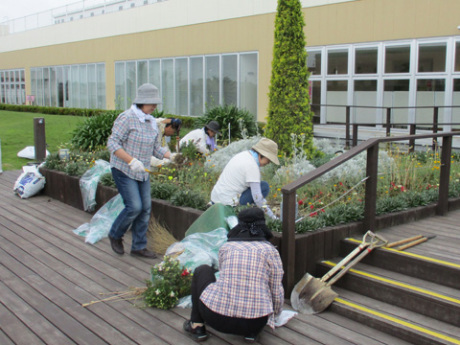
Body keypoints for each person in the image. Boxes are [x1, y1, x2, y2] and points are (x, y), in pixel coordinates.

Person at [183, 207, 284, 343]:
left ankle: (197, 326)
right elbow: (276, 290)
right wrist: (275, 315)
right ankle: (250, 334)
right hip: (255, 322)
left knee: (203, 270)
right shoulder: (270, 251)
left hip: (216, 318)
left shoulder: (227, 247)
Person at [107, 83, 171, 258]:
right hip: (124, 169)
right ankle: (115, 234)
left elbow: (156, 148)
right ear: (142, 102)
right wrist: (131, 160)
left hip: (142, 172)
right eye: (152, 102)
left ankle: (138, 247)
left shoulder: (151, 121)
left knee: (145, 208)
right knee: (134, 206)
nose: (155, 106)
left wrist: (171, 156)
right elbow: (112, 143)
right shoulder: (126, 118)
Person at [210, 137, 279, 219]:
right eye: (269, 160)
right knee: (264, 187)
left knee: (260, 187)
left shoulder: (244, 155)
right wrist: (272, 217)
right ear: (261, 155)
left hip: (215, 199)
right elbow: (258, 198)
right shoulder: (252, 166)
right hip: (228, 206)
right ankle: (242, 212)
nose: (268, 163)